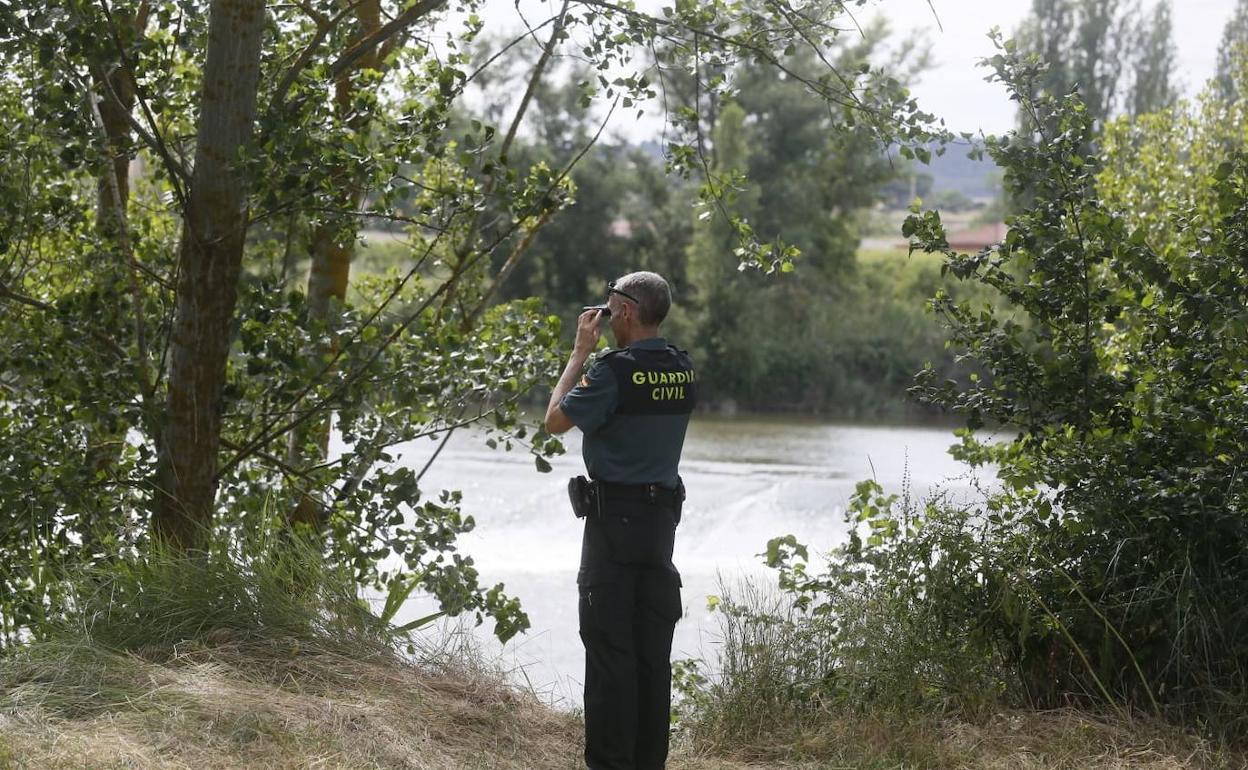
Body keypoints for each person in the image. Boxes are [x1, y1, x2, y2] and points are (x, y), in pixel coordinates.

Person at [544, 271, 695, 770]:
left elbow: (555, 420)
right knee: (653, 658)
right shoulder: (681, 368)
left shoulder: (613, 371)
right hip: (660, 531)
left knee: (611, 653)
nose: (604, 319)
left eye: (609, 310)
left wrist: (578, 353)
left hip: (613, 528)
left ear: (627, 312)